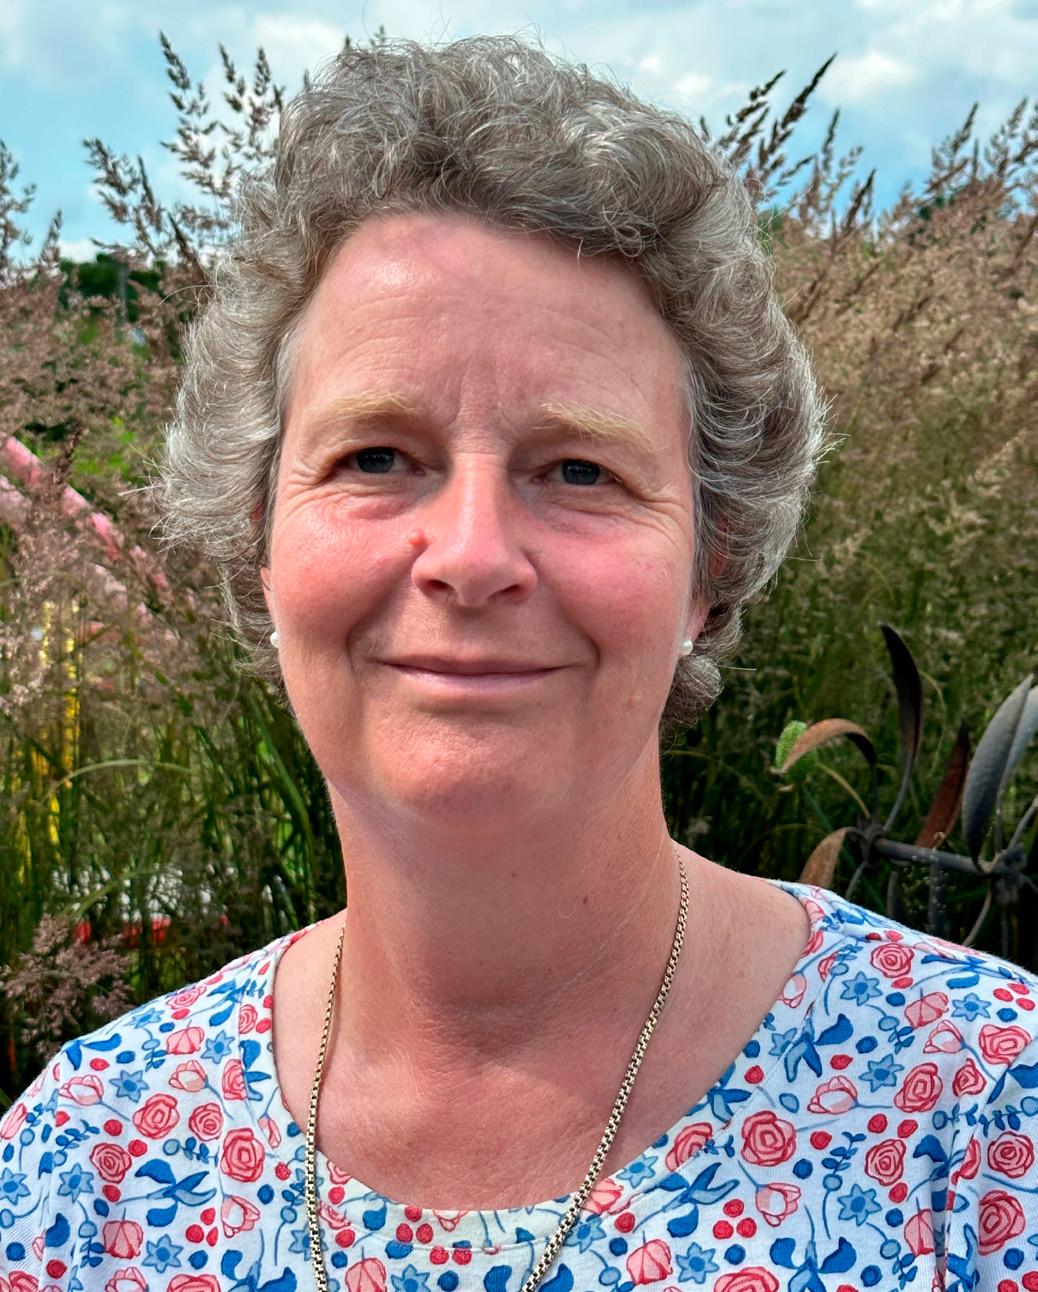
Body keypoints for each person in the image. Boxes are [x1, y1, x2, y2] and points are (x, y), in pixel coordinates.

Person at [3, 35, 1035, 1292]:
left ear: (711, 565)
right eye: (376, 457)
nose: (473, 555)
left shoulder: (986, 1122)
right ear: (257, 538)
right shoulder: (86, 1168)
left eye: (579, 469)